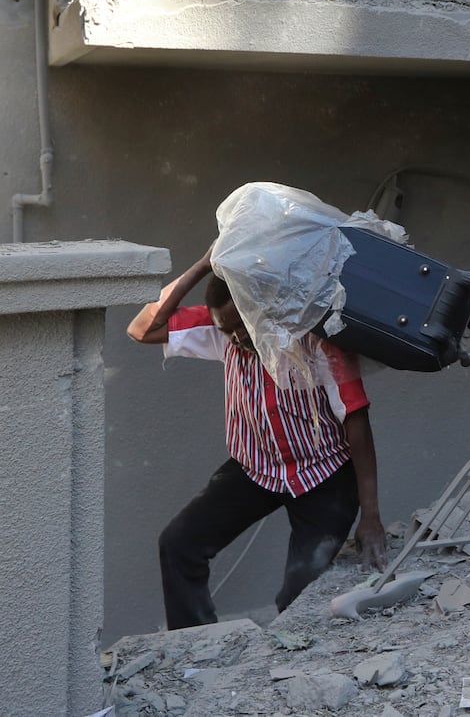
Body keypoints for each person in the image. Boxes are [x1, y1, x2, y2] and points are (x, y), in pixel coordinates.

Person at [127, 246, 386, 629]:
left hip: (323, 475)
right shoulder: (224, 332)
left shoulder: (316, 343)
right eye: (224, 329)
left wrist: (372, 516)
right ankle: (197, 643)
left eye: (240, 327)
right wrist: (201, 265)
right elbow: (143, 329)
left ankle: (288, 662)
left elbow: (357, 424)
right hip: (255, 470)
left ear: (263, 311)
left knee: (298, 595)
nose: (233, 338)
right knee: (178, 545)